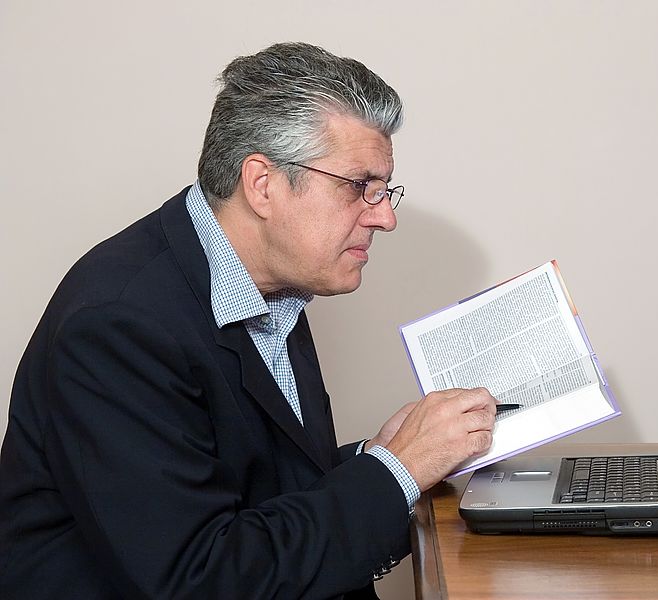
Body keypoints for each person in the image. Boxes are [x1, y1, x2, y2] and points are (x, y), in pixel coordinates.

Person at [0, 42, 497, 599]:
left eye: (385, 190)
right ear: (263, 185)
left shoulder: (274, 281)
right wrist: (398, 470)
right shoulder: (118, 325)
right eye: (361, 187)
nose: (385, 217)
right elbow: (200, 579)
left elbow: (255, 490)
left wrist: (384, 454)